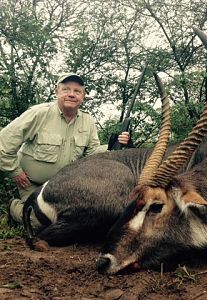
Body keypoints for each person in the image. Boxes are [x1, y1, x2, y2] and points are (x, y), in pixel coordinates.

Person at [0, 73, 132, 225]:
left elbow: (92, 153)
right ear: (57, 92)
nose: (71, 94)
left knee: (77, 220)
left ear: (83, 96)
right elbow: (4, 141)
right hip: (31, 183)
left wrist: (114, 146)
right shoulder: (39, 113)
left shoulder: (87, 121)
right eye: (66, 89)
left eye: (77, 91)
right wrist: (15, 171)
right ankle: (13, 206)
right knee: (41, 222)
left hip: (65, 187)